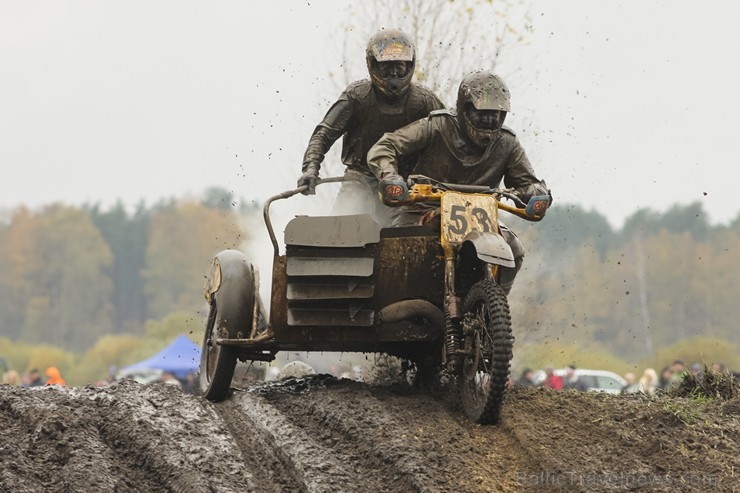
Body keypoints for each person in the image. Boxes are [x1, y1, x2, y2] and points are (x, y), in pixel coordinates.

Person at [367, 70, 551, 293]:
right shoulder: (437, 125)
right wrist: (390, 175)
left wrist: (535, 193)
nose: (489, 120)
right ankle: (392, 302)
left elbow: (527, 182)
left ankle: (493, 308)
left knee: (515, 249)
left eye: (496, 115)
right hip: (423, 207)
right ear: (465, 109)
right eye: (482, 114)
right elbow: (387, 145)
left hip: (481, 214)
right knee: (400, 246)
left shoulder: (507, 143)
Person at [297, 28, 444, 225]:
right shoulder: (357, 96)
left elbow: (448, 136)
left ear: (410, 66)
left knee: (414, 236)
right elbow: (323, 134)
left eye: (399, 67)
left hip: (408, 185)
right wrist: (311, 169)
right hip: (360, 179)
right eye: (386, 67)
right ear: (372, 65)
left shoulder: (425, 101)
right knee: (338, 229)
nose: (393, 74)